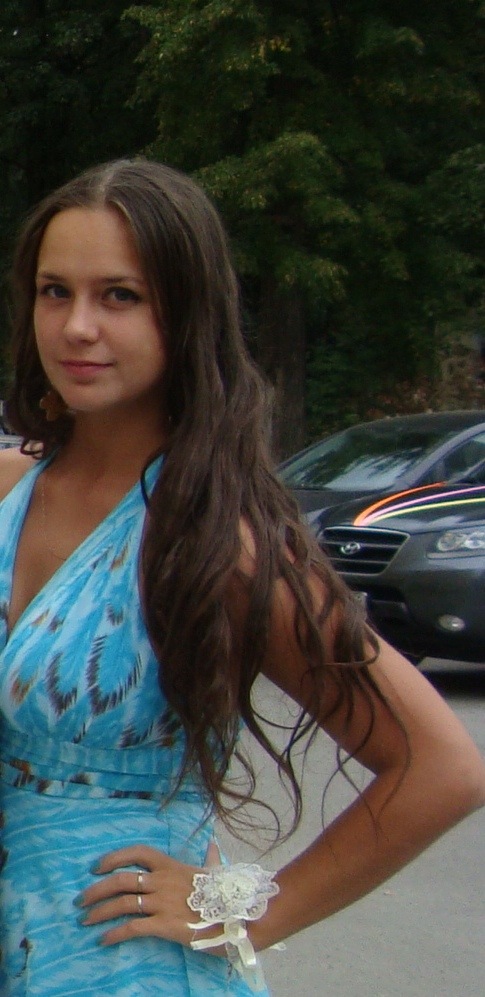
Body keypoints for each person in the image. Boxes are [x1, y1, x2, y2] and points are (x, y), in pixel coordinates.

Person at [0, 158, 483, 997]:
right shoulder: (11, 488)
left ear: (187, 313)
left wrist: (242, 909)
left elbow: (440, 767)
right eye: (55, 291)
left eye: (120, 295)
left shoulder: (214, 539)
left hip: (122, 963)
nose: (77, 326)